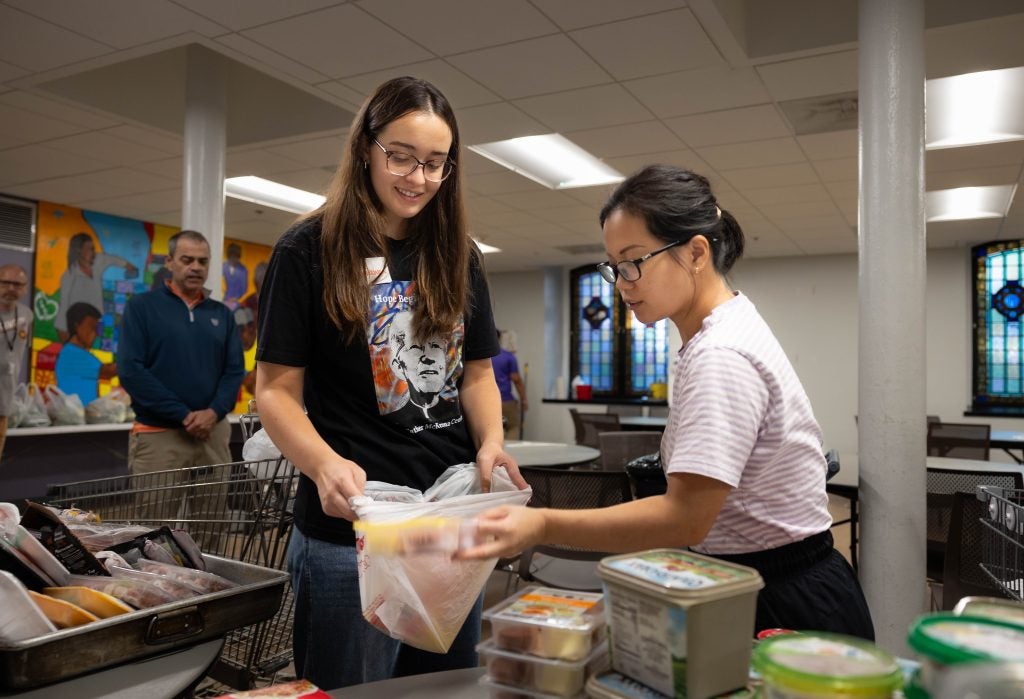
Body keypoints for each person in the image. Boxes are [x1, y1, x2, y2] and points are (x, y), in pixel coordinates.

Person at [463, 165, 875, 641]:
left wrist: (541, 523)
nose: (622, 282)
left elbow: (685, 517)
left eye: (634, 261)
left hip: (782, 597)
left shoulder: (720, 355)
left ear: (696, 252)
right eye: (614, 265)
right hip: (766, 578)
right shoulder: (723, 327)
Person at [254, 76, 526, 690]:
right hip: (352, 530)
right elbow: (273, 390)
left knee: (444, 686)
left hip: (448, 524)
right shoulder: (308, 250)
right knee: (354, 686)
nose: (418, 177)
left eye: (435, 163)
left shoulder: (459, 253)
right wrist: (323, 466)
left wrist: (490, 442)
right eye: (400, 156)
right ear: (365, 150)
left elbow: (477, 372)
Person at [118, 230, 244, 478]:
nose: (196, 267)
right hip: (159, 434)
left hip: (213, 433)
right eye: (187, 260)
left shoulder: (222, 315)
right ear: (169, 262)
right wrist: (184, 415)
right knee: (155, 517)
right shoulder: (142, 307)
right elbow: (131, 370)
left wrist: (213, 413)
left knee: (213, 516)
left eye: (203, 261)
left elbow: (234, 370)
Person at [56, 232, 137, 342]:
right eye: (89, 249)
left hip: (97, 319)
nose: (94, 253)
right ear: (79, 251)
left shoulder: (98, 262)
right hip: (79, 323)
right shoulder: (69, 276)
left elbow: (112, 259)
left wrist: (129, 267)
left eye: (93, 248)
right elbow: (64, 304)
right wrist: (62, 329)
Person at [385, 310, 459, 427]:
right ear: (398, 366)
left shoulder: (455, 412)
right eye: (415, 348)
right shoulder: (391, 422)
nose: (427, 358)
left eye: (435, 346)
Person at [54, 302, 117, 405]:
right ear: (77, 326)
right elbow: (109, 371)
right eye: (92, 327)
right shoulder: (73, 355)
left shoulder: (74, 352)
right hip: (75, 417)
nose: (96, 333)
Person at [0, 264, 32, 457]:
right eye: (5, 283)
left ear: (25, 288)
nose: (11, 288)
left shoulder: (27, 316)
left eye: (17, 284)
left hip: (4, 403)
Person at [491, 330, 527, 439]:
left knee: (492, 432)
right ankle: (510, 454)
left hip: (486, 402)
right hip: (506, 401)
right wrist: (524, 399)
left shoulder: (480, 358)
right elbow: (517, 380)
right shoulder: (508, 356)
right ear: (499, 338)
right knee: (513, 427)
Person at [222, 242, 248, 310]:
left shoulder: (243, 270)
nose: (234, 259)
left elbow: (244, 289)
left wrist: (235, 298)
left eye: (236, 257)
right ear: (229, 256)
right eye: (232, 256)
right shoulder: (222, 267)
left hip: (235, 303)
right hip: (221, 300)